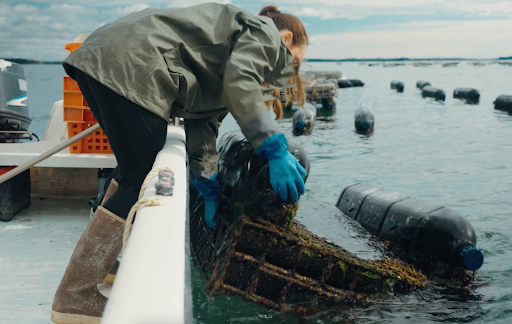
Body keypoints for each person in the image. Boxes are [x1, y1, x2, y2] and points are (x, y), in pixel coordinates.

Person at [50, 3, 308, 324]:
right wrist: (273, 147)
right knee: (141, 178)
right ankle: (74, 295)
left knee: (130, 170)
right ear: (286, 39)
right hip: (133, 61)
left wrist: (207, 182)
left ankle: (102, 262)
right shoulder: (265, 33)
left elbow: (203, 123)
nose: (290, 69)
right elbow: (240, 84)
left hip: (105, 56)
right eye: (294, 60)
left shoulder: (227, 49)